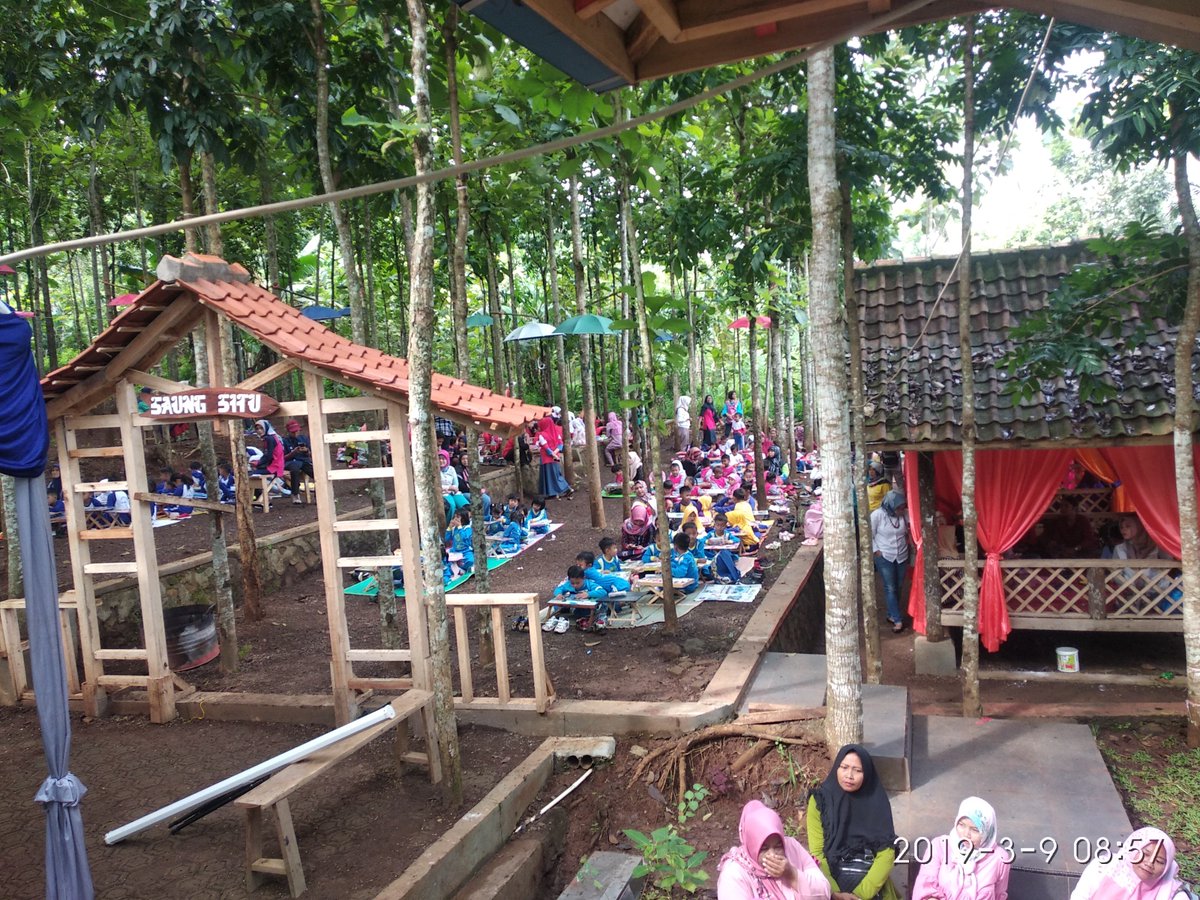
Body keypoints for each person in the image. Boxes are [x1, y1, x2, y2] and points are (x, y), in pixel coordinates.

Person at [807, 744, 901, 900]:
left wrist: (860, 894)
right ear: (836, 767)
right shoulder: (820, 801)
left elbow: (886, 853)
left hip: (869, 884)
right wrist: (835, 893)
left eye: (857, 770)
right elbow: (817, 853)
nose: (849, 775)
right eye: (844, 767)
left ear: (867, 773)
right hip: (830, 881)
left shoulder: (877, 802)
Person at [718, 799, 831, 900]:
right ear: (751, 846)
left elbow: (825, 893)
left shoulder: (791, 848)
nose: (772, 855)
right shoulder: (734, 873)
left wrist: (792, 874)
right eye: (764, 848)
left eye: (778, 846)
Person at [912, 797, 1010, 900]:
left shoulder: (1000, 858)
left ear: (987, 831)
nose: (966, 834)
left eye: (975, 830)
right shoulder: (939, 846)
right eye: (961, 825)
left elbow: (1000, 896)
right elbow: (924, 886)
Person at [1070, 827, 1188, 900]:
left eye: (1159, 861)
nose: (1149, 863)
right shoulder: (1103, 868)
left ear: (1166, 868)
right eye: (1145, 854)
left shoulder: (1172, 894)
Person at [870, 491, 910, 633]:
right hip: (884, 555)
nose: (901, 510)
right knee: (890, 587)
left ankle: (891, 613)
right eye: (898, 508)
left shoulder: (904, 514)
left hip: (901, 555)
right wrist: (876, 550)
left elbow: (913, 524)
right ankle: (898, 620)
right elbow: (869, 534)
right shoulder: (877, 515)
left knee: (898, 586)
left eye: (902, 507)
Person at [536, 409, 573, 499]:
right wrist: (556, 453)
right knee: (556, 474)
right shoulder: (555, 433)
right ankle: (552, 493)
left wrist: (552, 454)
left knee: (549, 476)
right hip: (555, 458)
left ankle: (566, 489)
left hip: (546, 458)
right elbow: (560, 445)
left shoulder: (542, 435)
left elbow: (546, 447)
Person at [282, 419, 314, 505]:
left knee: (315, 472)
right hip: (291, 462)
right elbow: (283, 458)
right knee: (295, 468)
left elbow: (311, 454)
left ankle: (320, 494)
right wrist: (293, 452)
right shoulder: (284, 441)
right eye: (293, 432)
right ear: (288, 432)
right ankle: (295, 494)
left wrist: (306, 450)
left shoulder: (304, 438)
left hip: (304, 461)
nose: (295, 434)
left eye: (297, 431)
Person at [251, 419, 286, 491]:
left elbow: (269, 456)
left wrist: (258, 463)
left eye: (261, 428)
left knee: (252, 475)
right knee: (256, 470)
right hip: (276, 464)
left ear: (266, 428)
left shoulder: (269, 439)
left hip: (275, 467)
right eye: (257, 429)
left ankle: (264, 493)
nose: (259, 431)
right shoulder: (272, 437)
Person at [440, 450, 469, 516]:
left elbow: (456, 483)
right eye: (439, 459)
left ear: (447, 459)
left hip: (454, 492)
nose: (441, 461)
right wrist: (449, 488)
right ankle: (448, 522)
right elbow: (437, 486)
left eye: (443, 459)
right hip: (443, 493)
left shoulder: (451, 469)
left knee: (465, 506)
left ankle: (466, 522)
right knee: (451, 506)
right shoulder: (435, 470)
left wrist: (454, 488)